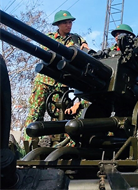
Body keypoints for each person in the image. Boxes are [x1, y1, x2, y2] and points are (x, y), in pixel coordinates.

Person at [22, 10, 89, 146]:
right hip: (45, 80)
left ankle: (55, 144)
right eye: (65, 23)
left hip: (62, 83)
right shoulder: (50, 38)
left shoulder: (76, 39)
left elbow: (85, 51)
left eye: (70, 22)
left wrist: (81, 49)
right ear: (58, 24)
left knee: (60, 116)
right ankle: (29, 144)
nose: (68, 25)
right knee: (36, 111)